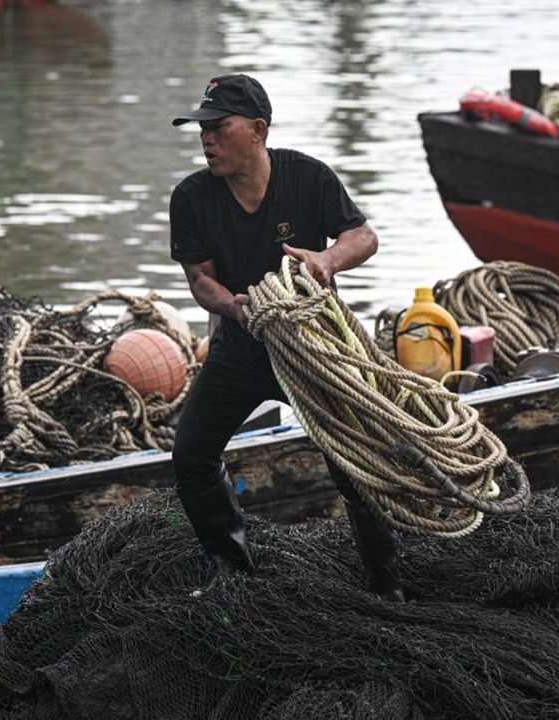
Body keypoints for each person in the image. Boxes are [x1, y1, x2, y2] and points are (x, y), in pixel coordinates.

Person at [168, 73, 405, 601]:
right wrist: (236, 307)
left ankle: (386, 586)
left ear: (257, 129)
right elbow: (200, 279)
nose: (206, 139)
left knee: (353, 462)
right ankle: (232, 572)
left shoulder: (308, 178)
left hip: (314, 349)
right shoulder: (191, 198)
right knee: (191, 456)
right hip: (241, 347)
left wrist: (326, 259)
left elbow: (362, 236)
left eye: (218, 127)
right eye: (200, 129)